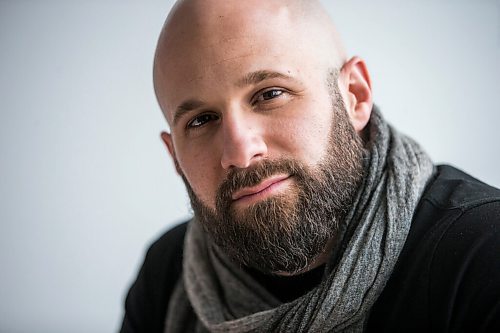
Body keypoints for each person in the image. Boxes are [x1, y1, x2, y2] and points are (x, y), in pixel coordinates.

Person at [120, 0, 500, 332]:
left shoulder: (482, 255)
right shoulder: (169, 271)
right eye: (201, 120)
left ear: (354, 96)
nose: (239, 150)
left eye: (270, 94)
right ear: (174, 156)